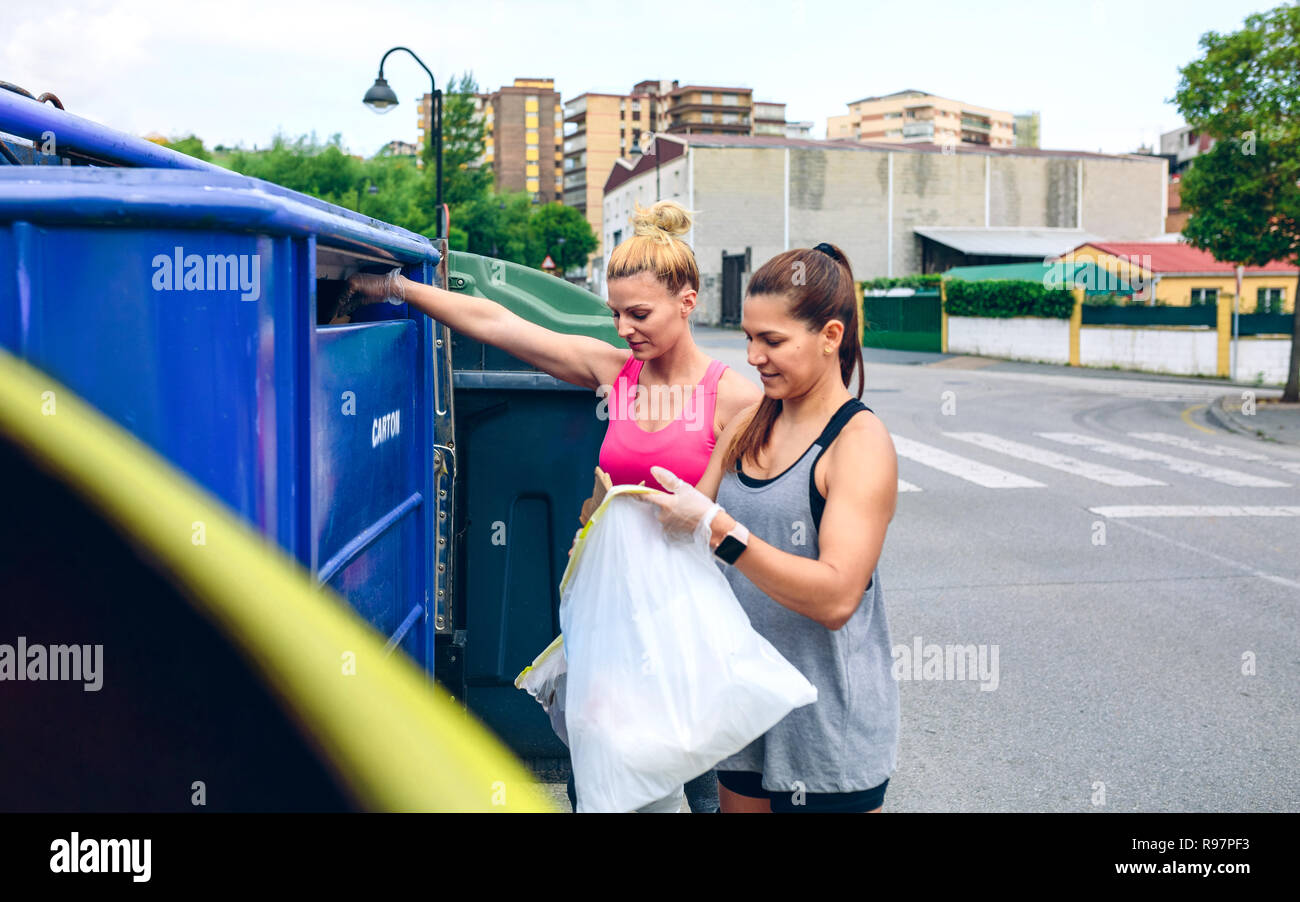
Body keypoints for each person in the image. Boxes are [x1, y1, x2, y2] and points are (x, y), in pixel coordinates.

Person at [348, 200, 762, 813]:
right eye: (616, 313)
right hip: (607, 612)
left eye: (639, 313)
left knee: (700, 777)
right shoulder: (617, 374)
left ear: (688, 299)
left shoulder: (735, 397)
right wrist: (398, 287)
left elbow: (753, 513)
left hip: (685, 622)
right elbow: (498, 323)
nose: (624, 328)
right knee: (600, 776)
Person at [637, 242, 900, 813]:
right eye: (749, 337)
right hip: (746, 706)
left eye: (773, 341)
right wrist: (623, 510)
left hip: (827, 726)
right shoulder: (749, 424)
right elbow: (689, 529)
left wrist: (722, 531)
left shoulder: (858, 444)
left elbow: (836, 597)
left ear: (830, 336)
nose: (754, 357)